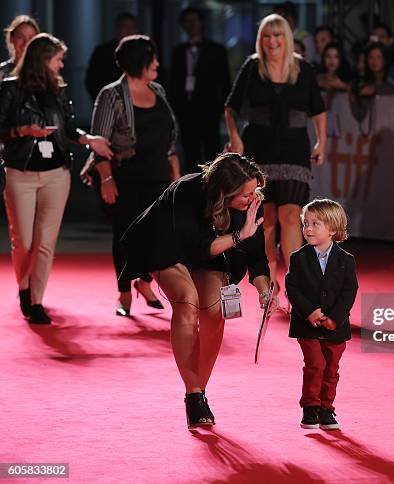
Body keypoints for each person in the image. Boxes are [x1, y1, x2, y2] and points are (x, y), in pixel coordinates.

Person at [120, 153, 277, 429]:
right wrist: (241, 235)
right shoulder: (187, 191)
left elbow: (256, 256)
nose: (252, 198)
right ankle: (194, 395)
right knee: (187, 300)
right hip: (166, 246)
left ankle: (198, 390)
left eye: (255, 191)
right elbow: (196, 247)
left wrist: (265, 291)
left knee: (215, 309)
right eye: (245, 194)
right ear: (223, 191)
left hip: (212, 253)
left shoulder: (253, 203)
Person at [0, 33, 112, 324]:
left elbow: (69, 129)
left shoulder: (59, 90)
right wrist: (23, 131)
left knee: (46, 241)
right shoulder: (10, 88)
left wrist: (90, 140)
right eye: (58, 59)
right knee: (23, 241)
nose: (62, 65)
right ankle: (24, 287)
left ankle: (36, 301)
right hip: (19, 171)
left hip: (56, 172)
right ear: (42, 59)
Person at [224, 14, 326, 300]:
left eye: (277, 35)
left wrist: (322, 141)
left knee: (292, 215)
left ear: (287, 38)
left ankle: (295, 284)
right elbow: (231, 107)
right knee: (266, 217)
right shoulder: (252, 67)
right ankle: (267, 280)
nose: (272, 41)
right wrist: (235, 137)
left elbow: (318, 109)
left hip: (294, 148)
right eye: (267, 36)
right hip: (259, 148)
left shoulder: (303, 68)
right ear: (261, 40)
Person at [88, 35, 181, 317]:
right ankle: (125, 291)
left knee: (159, 235)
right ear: (136, 61)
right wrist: (106, 178)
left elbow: (170, 142)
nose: (157, 62)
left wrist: (176, 178)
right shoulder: (111, 94)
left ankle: (145, 281)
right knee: (126, 236)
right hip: (125, 177)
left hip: (159, 178)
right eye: (151, 57)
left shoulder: (159, 90)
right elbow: (100, 143)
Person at [285, 199, 358, 431]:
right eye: (306, 223)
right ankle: (310, 407)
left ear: (333, 229)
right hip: (307, 325)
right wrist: (310, 312)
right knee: (315, 364)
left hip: (336, 327)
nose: (308, 229)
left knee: (331, 369)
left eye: (316, 224)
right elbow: (292, 289)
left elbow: (349, 291)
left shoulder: (346, 260)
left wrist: (334, 317)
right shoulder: (298, 257)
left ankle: (327, 408)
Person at [169, 6, 230, 173]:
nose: (191, 25)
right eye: (187, 22)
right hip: (186, 107)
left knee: (212, 150)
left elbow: (225, 82)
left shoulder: (216, 50)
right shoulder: (178, 51)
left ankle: (214, 185)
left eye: (194, 21)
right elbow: (174, 82)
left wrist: (224, 110)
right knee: (190, 151)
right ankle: (192, 188)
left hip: (209, 107)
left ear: (201, 23)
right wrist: (175, 107)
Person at [85, 12, 137, 101]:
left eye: (132, 27)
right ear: (118, 28)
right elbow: (92, 81)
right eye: (125, 26)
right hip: (109, 102)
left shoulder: (141, 53)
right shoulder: (102, 52)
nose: (129, 31)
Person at [0, 15, 39, 81]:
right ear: (11, 39)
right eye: (20, 37)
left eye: (31, 38)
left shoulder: (44, 72)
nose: (26, 43)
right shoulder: (1, 72)